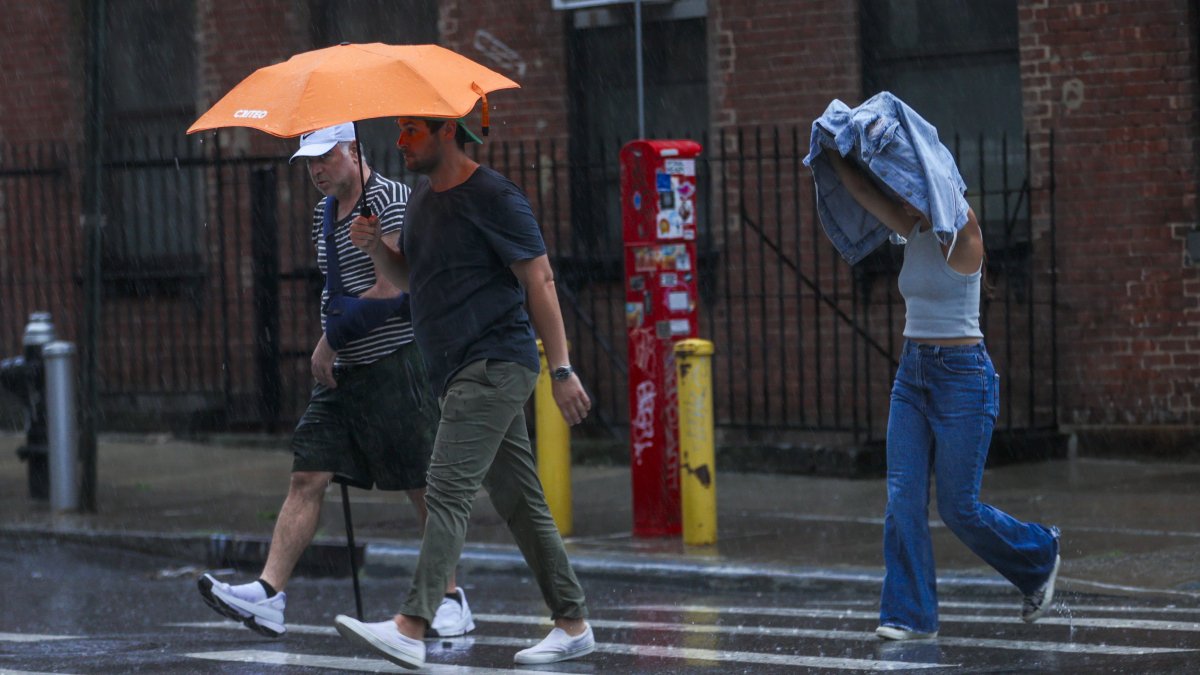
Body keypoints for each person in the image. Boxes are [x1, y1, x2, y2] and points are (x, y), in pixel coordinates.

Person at [332, 116, 594, 670]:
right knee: (520, 500)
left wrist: (563, 369)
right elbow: (409, 280)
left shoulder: (495, 196)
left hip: (494, 362)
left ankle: (413, 622)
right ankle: (572, 623)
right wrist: (377, 246)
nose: (400, 142)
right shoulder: (424, 203)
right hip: (454, 371)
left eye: (411, 131)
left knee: (446, 488)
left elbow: (540, 280)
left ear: (447, 130)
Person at [196, 123, 474, 640]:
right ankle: (269, 594)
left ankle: (450, 597)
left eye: (324, 158)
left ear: (353, 150)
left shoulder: (393, 200)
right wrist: (333, 338)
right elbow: (336, 288)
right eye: (308, 162)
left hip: (395, 364)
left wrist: (331, 340)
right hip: (342, 376)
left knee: (422, 486)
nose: (316, 171)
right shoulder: (324, 215)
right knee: (307, 476)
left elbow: (392, 291)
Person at [806, 93, 1061, 641]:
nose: (905, 193)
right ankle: (909, 614)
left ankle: (1039, 554)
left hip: (963, 378)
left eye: (913, 184)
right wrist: (834, 148)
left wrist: (915, 165)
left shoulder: (964, 231)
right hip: (913, 374)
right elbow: (861, 188)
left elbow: (934, 183)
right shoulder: (911, 226)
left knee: (959, 508)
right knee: (901, 497)